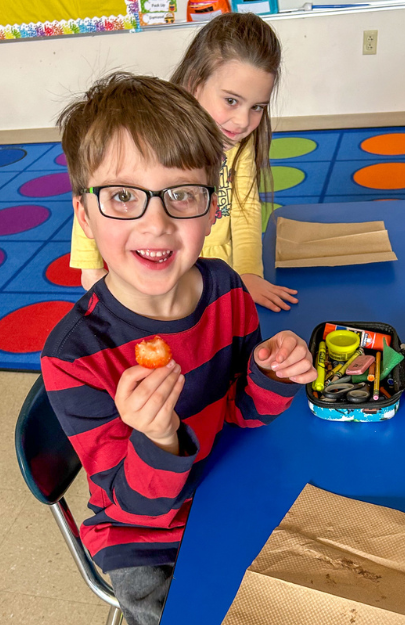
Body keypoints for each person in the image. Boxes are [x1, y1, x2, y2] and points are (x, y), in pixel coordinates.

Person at [40, 72, 316, 625]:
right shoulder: (74, 357)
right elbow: (132, 505)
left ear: (212, 208)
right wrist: (157, 437)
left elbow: (242, 413)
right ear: (83, 215)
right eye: (122, 196)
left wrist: (271, 374)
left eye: (182, 195)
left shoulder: (227, 291)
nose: (157, 223)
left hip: (226, 483)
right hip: (144, 536)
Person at [70, 13, 298, 313]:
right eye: (231, 100)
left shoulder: (242, 145)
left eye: (257, 107)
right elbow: (96, 191)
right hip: (155, 259)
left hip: (215, 271)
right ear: (194, 82)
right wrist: (90, 267)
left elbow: (245, 208)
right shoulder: (157, 130)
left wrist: (248, 273)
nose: (243, 121)